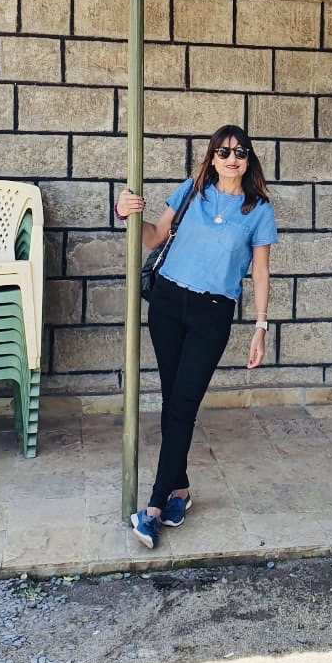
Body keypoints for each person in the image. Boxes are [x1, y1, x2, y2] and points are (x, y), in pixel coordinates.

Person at [114, 125, 277, 549]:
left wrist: (260, 326)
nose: (231, 158)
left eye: (240, 151)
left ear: (249, 158)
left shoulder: (258, 209)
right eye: (223, 152)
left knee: (183, 402)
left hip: (213, 313)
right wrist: (127, 212)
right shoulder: (192, 190)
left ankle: (152, 508)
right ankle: (180, 491)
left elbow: (260, 271)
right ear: (211, 157)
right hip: (168, 302)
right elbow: (153, 237)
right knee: (175, 401)